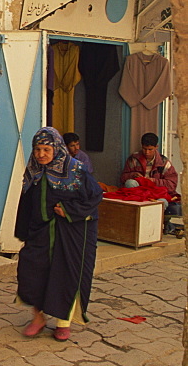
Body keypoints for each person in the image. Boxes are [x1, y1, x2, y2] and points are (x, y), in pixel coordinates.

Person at [15, 126, 103, 343]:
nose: (41, 155)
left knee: (66, 274)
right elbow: (26, 202)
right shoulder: (33, 170)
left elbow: (95, 196)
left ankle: (63, 323)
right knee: (31, 272)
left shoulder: (76, 169)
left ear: (57, 149)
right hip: (39, 232)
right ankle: (38, 318)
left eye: (46, 149)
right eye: (37, 149)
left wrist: (69, 211)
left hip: (70, 232)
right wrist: (23, 231)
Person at [120, 132, 181, 234]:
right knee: (130, 183)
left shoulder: (164, 162)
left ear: (156, 147)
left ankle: (152, 230)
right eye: (144, 149)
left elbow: (171, 185)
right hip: (139, 193)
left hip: (156, 193)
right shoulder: (133, 159)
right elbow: (122, 178)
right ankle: (133, 223)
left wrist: (153, 181)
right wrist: (133, 175)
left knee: (163, 202)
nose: (147, 152)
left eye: (150, 149)